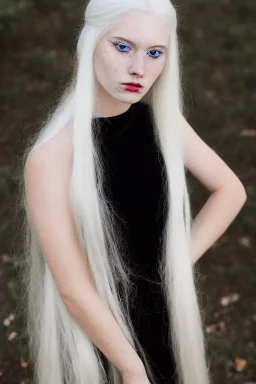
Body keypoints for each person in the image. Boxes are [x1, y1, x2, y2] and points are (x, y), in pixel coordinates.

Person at [19, 0, 247, 384]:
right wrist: (130, 366)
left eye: (155, 53)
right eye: (122, 46)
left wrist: (174, 262)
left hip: (161, 316)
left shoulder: (161, 123)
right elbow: (73, 289)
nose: (139, 69)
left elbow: (231, 190)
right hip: (96, 335)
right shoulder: (51, 158)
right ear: (88, 43)